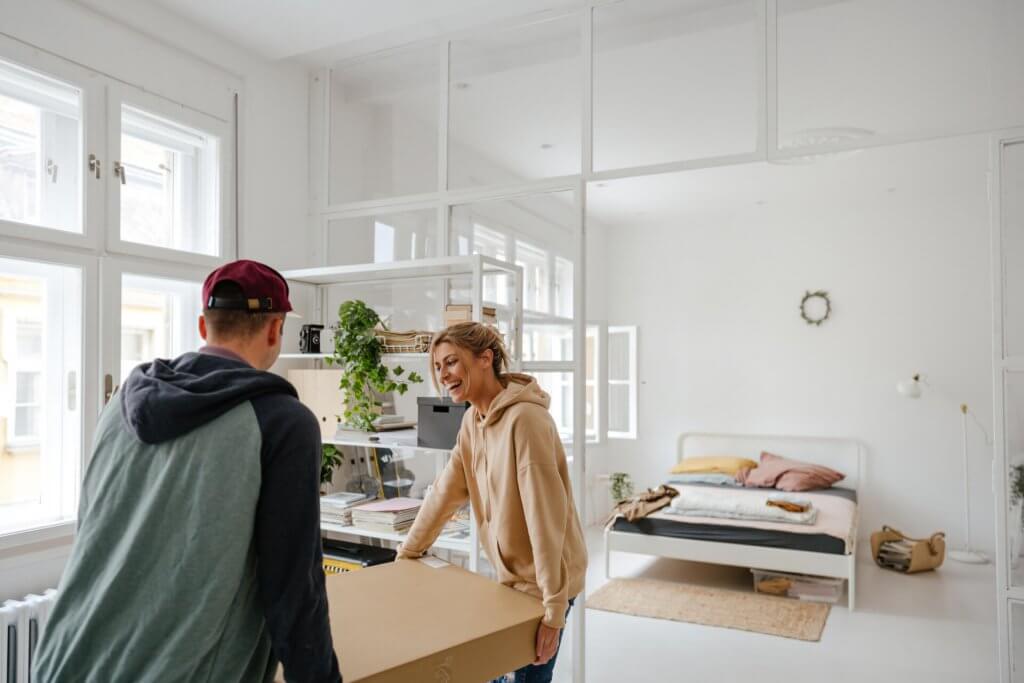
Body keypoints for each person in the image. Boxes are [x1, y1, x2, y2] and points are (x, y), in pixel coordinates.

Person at [33, 259, 341, 683]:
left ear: (203, 326)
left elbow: (93, 530)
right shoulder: (282, 422)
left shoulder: (121, 404)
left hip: (63, 661)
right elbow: (293, 589)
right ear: (274, 330)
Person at [397, 322, 587, 683]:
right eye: (438, 367)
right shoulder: (473, 420)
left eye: (451, 362)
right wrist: (408, 550)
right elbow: (445, 491)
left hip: (548, 582)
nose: (444, 375)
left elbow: (545, 519)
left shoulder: (526, 420)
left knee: (525, 679)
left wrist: (553, 611)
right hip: (512, 580)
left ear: (485, 359)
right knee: (501, 675)